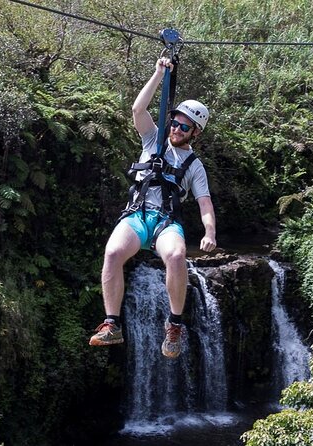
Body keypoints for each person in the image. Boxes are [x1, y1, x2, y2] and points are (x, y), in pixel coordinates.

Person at [89, 57, 217, 358]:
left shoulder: (194, 166)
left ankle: (174, 325)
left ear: (194, 132)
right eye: (174, 121)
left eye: (184, 126)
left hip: (165, 223)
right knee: (112, 252)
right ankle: (112, 324)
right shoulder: (152, 139)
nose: (176, 127)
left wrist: (209, 231)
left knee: (176, 254)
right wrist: (159, 73)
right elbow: (138, 109)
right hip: (137, 216)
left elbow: (205, 202)